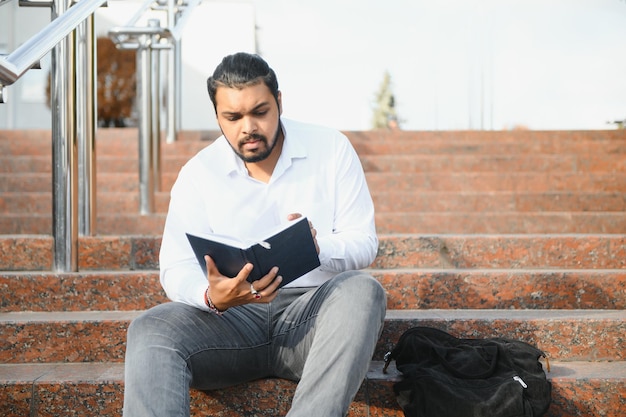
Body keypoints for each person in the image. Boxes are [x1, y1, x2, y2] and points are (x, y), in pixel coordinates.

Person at [122, 52, 386, 417]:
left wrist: (317, 247)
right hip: (229, 324)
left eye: (260, 112)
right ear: (217, 116)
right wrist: (211, 295)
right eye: (232, 117)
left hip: (310, 320)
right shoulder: (199, 173)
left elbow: (363, 240)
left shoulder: (332, 149)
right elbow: (175, 265)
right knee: (151, 328)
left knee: (363, 290)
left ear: (279, 102)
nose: (248, 127)